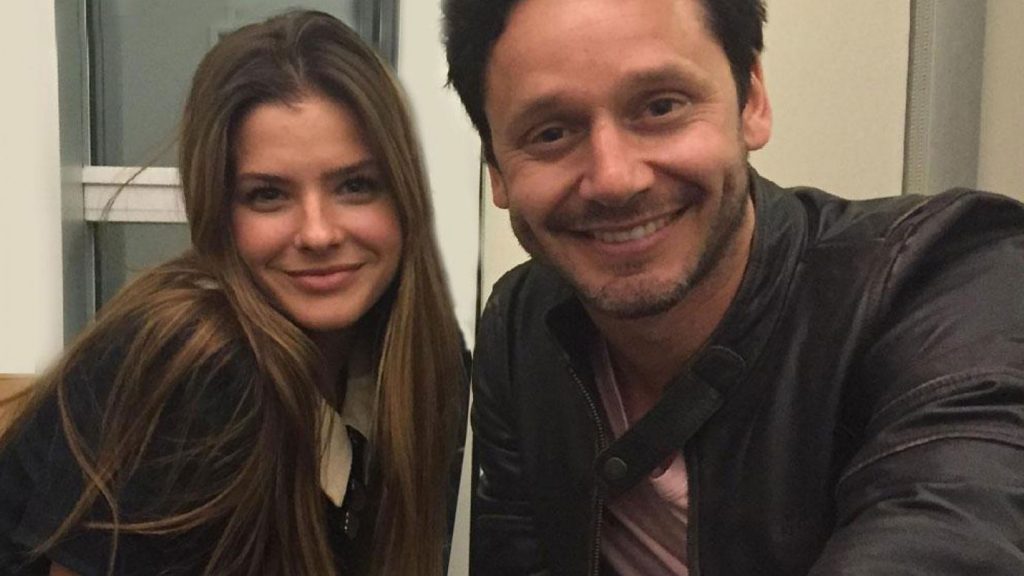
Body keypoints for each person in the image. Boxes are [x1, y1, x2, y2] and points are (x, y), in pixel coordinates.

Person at [443, 0, 1024, 573]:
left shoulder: (944, 275)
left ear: (752, 102)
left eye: (661, 107)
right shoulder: (521, 326)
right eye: (550, 134)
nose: (615, 179)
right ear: (497, 170)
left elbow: (952, 535)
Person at [0, 10, 466, 576]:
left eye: (356, 185)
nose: (318, 233)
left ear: (405, 196)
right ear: (219, 214)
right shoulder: (187, 368)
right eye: (268, 195)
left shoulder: (427, 365)